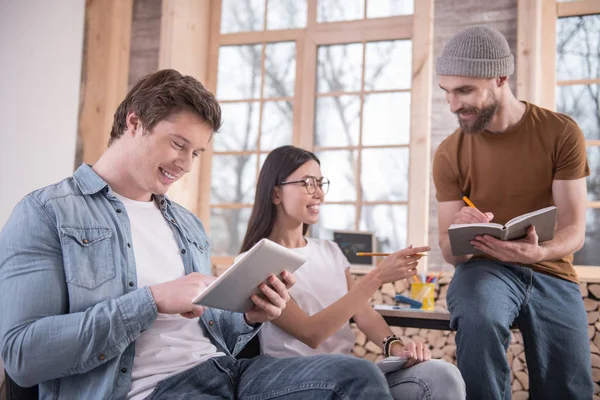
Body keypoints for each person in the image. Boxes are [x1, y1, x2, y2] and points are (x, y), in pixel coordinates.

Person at [0, 69, 396, 399]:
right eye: (178, 144)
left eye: (197, 153)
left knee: (357, 377)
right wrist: (151, 301)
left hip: (227, 374)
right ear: (134, 122)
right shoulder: (47, 212)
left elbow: (212, 329)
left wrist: (249, 315)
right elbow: (22, 355)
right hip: (150, 390)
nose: (185, 164)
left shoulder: (187, 225)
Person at [433, 26, 594, 399]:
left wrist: (538, 252)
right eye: (447, 92)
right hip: (484, 268)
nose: (453, 105)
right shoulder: (447, 153)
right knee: (479, 316)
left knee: (569, 386)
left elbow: (573, 229)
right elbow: (448, 250)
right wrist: (460, 231)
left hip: (551, 269)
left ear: (501, 78)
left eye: (464, 90)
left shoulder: (561, 133)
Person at [239, 145, 466, 400]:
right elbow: (311, 333)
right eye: (307, 183)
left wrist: (398, 349)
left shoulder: (330, 251)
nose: (319, 195)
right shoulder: (256, 261)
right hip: (297, 380)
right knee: (358, 372)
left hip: (351, 375)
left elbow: (364, 314)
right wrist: (377, 277)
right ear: (276, 194)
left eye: (321, 183)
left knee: (444, 374)